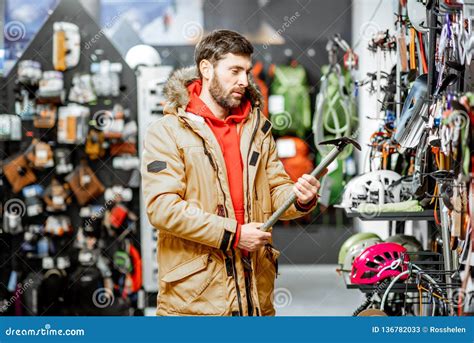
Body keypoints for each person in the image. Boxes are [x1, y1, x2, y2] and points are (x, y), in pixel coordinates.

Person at [141, 29, 320, 316]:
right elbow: (162, 208)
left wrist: (299, 198)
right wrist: (234, 235)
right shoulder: (167, 132)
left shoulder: (257, 128)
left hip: (255, 295)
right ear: (206, 69)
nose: (244, 81)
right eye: (234, 70)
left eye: (247, 71)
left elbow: (275, 191)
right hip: (195, 302)